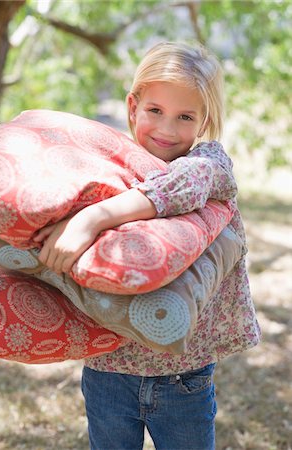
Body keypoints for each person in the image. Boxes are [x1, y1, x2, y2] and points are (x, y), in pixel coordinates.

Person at [34, 42, 260, 450]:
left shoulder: (210, 164)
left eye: (185, 116)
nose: (167, 130)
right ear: (132, 106)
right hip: (108, 368)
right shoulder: (110, 168)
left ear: (204, 120)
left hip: (183, 374)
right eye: (155, 110)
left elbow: (182, 184)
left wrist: (94, 218)